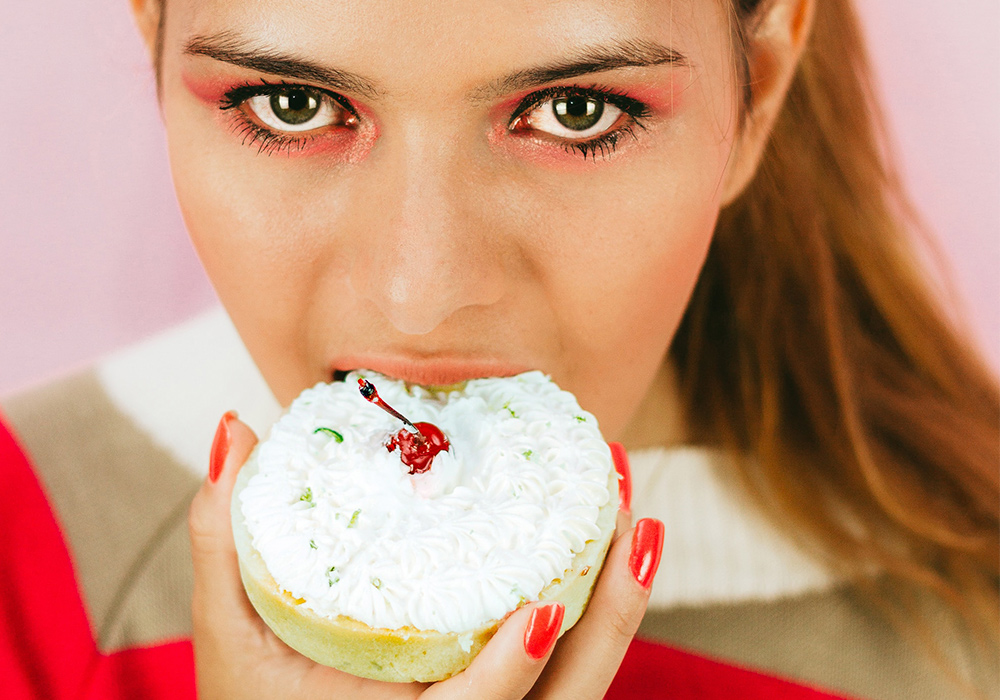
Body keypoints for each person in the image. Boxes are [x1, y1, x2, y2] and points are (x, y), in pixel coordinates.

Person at [1, 0, 997, 698]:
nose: (419, 296)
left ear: (759, 88)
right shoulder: (28, 560)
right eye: (291, 102)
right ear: (151, 39)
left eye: (576, 111)